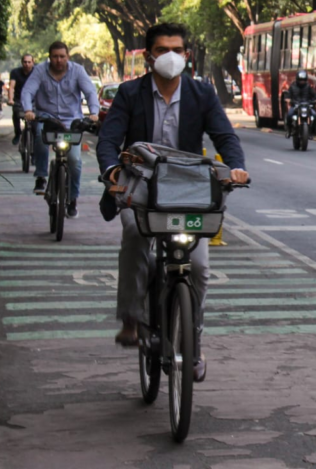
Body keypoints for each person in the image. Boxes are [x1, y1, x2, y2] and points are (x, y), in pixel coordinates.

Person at [97, 22, 248, 382]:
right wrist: (111, 170)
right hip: (141, 186)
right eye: (162, 50)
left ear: (187, 56)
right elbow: (108, 140)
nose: (170, 57)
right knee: (134, 233)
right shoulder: (129, 94)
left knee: (197, 267)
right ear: (149, 57)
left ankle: (192, 341)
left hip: (189, 190)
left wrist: (237, 167)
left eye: (177, 50)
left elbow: (225, 136)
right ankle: (132, 318)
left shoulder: (202, 94)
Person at [21, 42, 100, 218]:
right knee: (40, 138)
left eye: (62, 56)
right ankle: (41, 177)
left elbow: (90, 93)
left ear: (67, 57)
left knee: (74, 160)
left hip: (72, 121)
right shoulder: (40, 71)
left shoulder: (78, 71)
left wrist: (94, 113)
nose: (58, 60)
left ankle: (72, 199)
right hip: (46, 118)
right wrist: (28, 110)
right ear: (49, 57)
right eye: (55, 56)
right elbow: (27, 92)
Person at [8, 54, 35, 145]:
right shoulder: (15, 72)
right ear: (22, 62)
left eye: (29, 62)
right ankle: (17, 133)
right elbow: (11, 87)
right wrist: (10, 99)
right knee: (16, 114)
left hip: (33, 100)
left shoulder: (37, 72)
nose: (27, 64)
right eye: (25, 62)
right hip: (19, 99)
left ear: (33, 63)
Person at [283, 69, 316, 136]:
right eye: (300, 80)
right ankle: (289, 130)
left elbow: (314, 94)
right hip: (295, 105)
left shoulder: (308, 86)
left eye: (303, 80)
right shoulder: (293, 86)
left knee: (315, 115)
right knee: (289, 115)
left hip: (307, 105)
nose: (302, 81)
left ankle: (311, 131)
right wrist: (287, 99)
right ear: (297, 79)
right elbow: (288, 94)